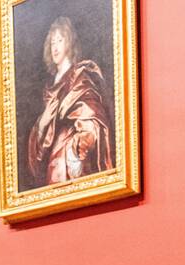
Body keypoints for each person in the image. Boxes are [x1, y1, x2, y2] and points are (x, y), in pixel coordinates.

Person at [26, 16, 115, 189]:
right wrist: (42, 124)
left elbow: (92, 118)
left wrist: (74, 151)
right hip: (54, 165)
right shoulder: (50, 88)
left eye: (60, 40)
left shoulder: (79, 78)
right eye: (52, 42)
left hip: (71, 162)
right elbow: (39, 149)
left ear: (70, 43)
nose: (55, 47)